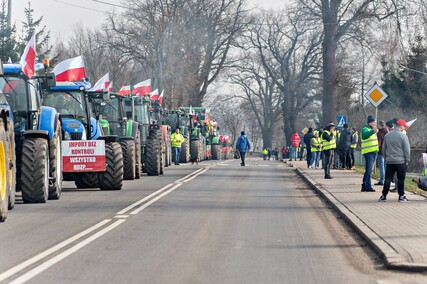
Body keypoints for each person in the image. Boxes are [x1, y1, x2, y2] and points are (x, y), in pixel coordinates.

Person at [378, 119, 410, 202]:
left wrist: (386, 158)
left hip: (390, 160)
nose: (405, 128)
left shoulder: (387, 135)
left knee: (388, 178)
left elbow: (384, 148)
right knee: (401, 179)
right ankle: (401, 196)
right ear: (401, 126)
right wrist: (407, 160)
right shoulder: (403, 136)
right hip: (400, 161)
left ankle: (383, 195)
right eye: (404, 126)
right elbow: (406, 150)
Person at [361, 116, 378, 192]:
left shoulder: (372, 130)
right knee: (369, 170)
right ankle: (368, 186)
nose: (375, 123)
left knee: (368, 170)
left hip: (373, 152)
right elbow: (364, 136)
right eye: (374, 122)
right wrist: (373, 132)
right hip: (368, 152)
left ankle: (364, 185)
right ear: (370, 122)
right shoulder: (365, 129)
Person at [374, 120, 388, 186]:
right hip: (387, 151)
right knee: (385, 166)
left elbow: (378, 143)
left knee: (381, 166)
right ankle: (386, 180)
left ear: (380, 125)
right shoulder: (388, 132)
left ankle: (382, 180)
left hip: (380, 151)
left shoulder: (379, 133)